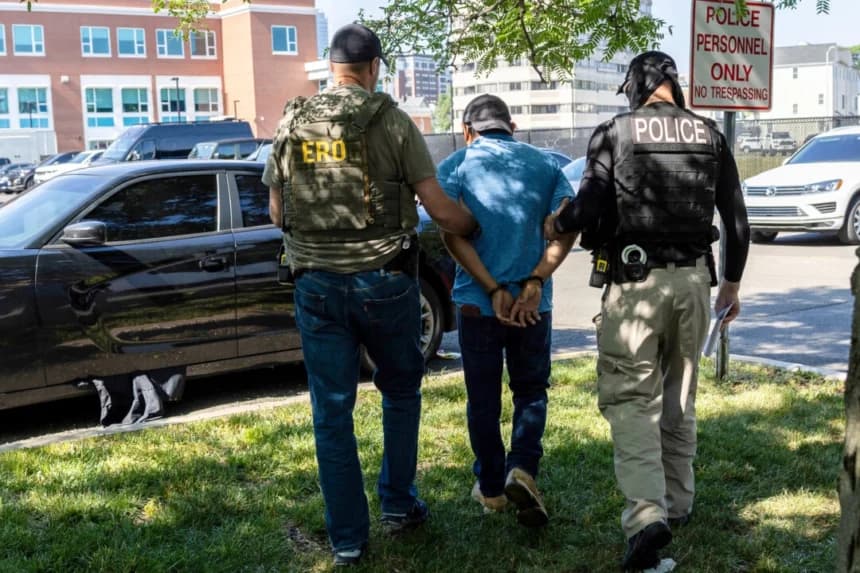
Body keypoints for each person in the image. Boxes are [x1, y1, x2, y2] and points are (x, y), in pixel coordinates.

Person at [264, 23, 477, 567]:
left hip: (314, 286)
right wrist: (472, 224)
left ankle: (347, 541)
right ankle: (399, 506)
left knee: (331, 412)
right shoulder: (392, 121)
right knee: (401, 391)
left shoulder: (290, 122)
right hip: (384, 283)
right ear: (374, 67)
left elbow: (277, 213)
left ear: (330, 68)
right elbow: (436, 205)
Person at [544, 51, 750, 570]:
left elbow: (588, 206)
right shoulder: (711, 135)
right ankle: (678, 504)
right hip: (696, 283)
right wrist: (729, 287)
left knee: (633, 399)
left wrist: (558, 225)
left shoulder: (615, 132)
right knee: (681, 393)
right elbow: (737, 222)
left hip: (635, 285)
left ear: (637, 85)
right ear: (673, 84)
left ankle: (645, 515)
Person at [437, 94, 577, 527]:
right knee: (531, 391)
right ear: (511, 126)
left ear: (467, 130)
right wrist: (534, 281)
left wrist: (492, 288)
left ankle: (493, 487)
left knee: (483, 399)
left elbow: (451, 233)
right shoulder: (547, 166)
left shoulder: (456, 166)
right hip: (534, 306)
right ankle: (523, 469)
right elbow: (567, 225)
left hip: (478, 304)